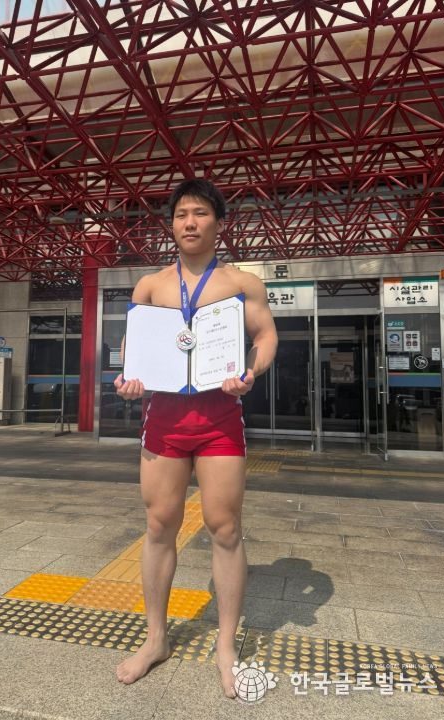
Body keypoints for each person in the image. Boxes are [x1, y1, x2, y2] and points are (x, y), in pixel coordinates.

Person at [114, 178, 278, 697]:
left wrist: (250, 371)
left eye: (201, 213)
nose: (190, 222)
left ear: (218, 223)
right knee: (159, 524)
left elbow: (265, 335)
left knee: (224, 528)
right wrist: (128, 378)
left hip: (219, 417)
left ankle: (226, 646)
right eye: (181, 213)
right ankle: (156, 638)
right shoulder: (150, 286)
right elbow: (133, 346)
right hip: (164, 418)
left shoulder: (242, 283)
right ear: (172, 224)